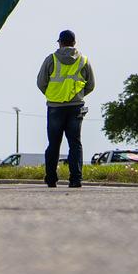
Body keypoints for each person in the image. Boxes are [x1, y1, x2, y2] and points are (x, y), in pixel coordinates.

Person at [38, 28, 96, 189]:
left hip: (55, 107)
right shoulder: (84, 61)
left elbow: (41, 82)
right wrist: (78, 96)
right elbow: (91, 84)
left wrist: (52, 94)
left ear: (60, 43)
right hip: (76, 107)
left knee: (53, 144)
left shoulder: (51, 59)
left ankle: (51, 179)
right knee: (75, 143)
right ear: (74, 43)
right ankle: (76, 179)